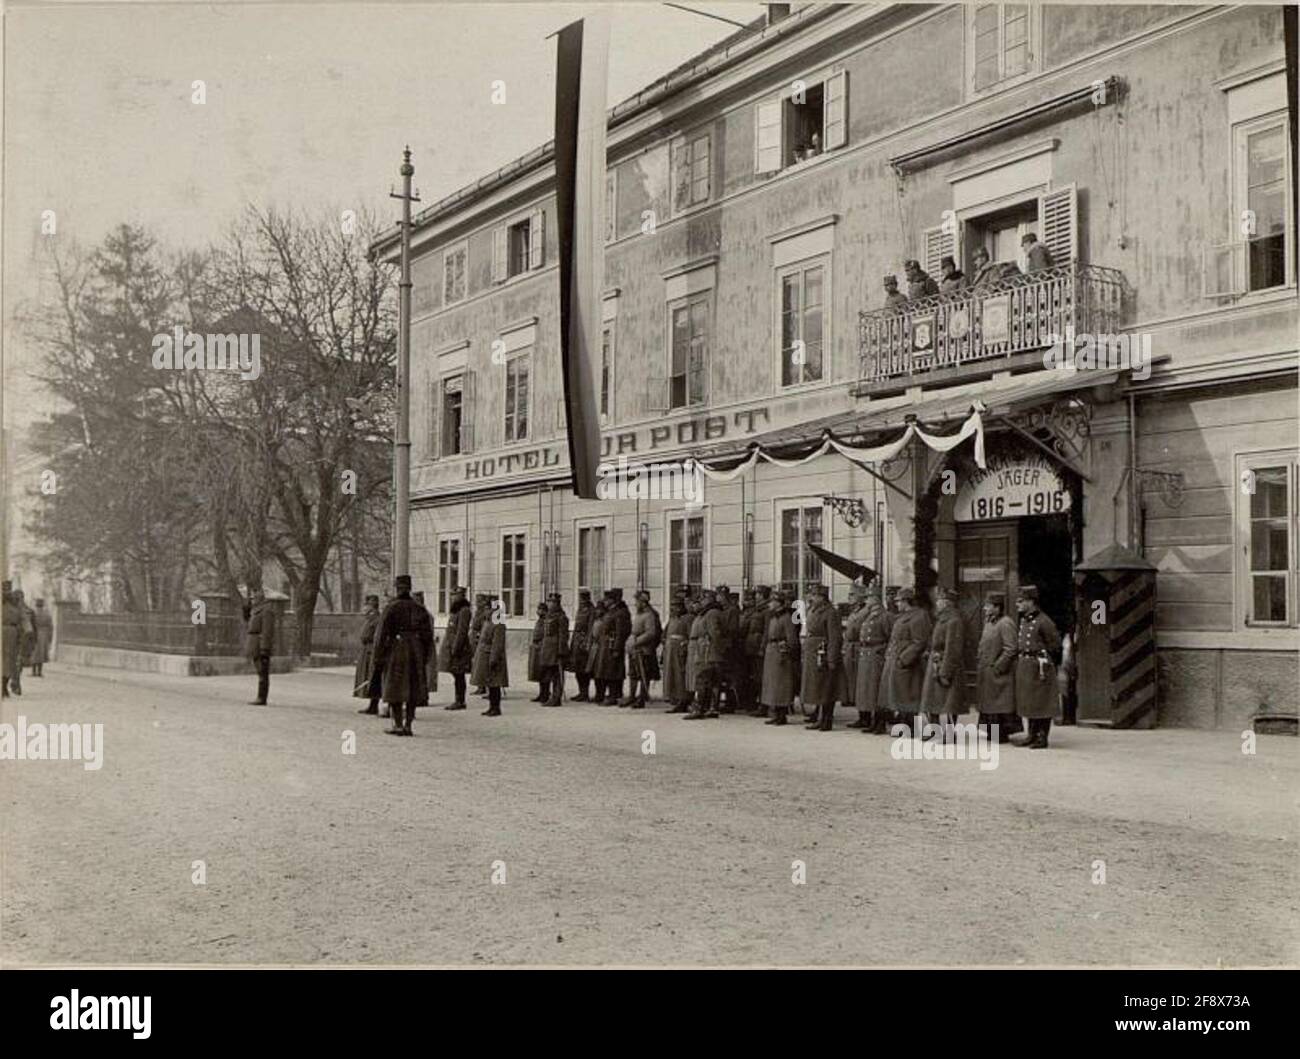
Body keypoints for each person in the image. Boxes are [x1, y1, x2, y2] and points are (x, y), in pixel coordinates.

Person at [373, 574, 435, 736]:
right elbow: (427, 636)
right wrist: (425, 654)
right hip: (415, 650)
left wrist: (378, 656)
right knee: (413, 687)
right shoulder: (420, 609)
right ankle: (408, 724)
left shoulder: (391, 608)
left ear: (397, 588)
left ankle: (398, 725)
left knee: (395, 687)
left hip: (396, 649)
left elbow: (380, 635)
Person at [1014, 585, 1061, 749]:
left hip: (1039, 666)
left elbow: (1055, 645)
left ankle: (1042, 736)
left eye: (1020, 601)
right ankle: (1031, 734)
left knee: (1042, 702)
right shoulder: (1024, 620)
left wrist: (1045, 661)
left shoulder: (1044, 621)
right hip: (1026, 666)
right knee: (1029, 701)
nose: (1017, 604)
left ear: (1031, 602)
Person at [882, 587, 931, 731]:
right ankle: (904, 723)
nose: (897, 604)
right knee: (900, 695)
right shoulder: (902, 616)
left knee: (909, 695)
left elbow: (920, 641)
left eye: (899, 601)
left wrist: (904, 659)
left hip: (909, 663)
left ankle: (909, 726)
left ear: (906, 601)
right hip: (898, 661)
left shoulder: (919, 616)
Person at [920, 586, 965, 739]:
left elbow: (953, 648)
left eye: (939, 600)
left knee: (950, 702)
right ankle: (934, 728)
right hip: (935, 662)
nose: (937, 602)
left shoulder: (954, 620)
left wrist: (946, 671)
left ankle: (950, 732)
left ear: (947, 602)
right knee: (931, 698)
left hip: (946, 663)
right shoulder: (942, 618)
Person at [976, 592, 1018, 743]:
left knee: (1000, 705)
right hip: (988, 673)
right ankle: (993, 732)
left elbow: (1011, 648)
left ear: (997, 607)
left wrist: (998, 667)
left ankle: (1001, 733)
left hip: (998, 674)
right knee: (990, 705)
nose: (985, 608)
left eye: (988, 606)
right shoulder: (990, 622)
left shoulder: (1006, 623)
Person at [800, 583, 843, 731]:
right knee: (818, 686)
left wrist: (832, 658)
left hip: (823, 653)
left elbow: (834, 637)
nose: (812, 598)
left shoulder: (830, 612)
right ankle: (819, 717)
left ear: (822, 597)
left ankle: (827, 719)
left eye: (815, 595)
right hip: (813, 653)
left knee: (826, 687)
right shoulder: (813, 610)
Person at [856, 580, 891, 734]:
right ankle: (871, 720)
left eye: (869, 598)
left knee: (877, 691)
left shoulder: (885, 616)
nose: (867, 601)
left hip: (876, 656)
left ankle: (880, 721)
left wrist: (883, 652)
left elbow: (890, 638)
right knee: (868, 692)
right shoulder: (868, 615)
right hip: (867, 656)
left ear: (876, 599)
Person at [761, 589, 800, 726]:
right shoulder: (773, 617)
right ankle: (775, 712)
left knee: (781, 684)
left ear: (779, 603)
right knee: (772, 684)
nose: (770, 604)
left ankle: (781, 714)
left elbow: (792, 639)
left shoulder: (786, 618)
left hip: (780, 652)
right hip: (771, 651)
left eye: (772, 601)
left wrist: (786, 651)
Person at [685, 589, 725, 720]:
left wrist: (715, 648)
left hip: (708, 651)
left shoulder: (711, 613)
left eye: (703, 599)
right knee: (712, 681)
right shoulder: (710, 612)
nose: (701, 601)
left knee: (703, 679)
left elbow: (714, 633)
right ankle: (711, 707)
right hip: (711, 651)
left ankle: (700, 708)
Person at [623, 590, 661, 708]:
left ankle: (642, 698)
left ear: (643, 602)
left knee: (644, 674)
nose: (635, 604)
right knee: (633, 674)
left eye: (637, 601)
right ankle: (632, 696)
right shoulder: (640, 614)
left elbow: (651, 633)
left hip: (644, 649)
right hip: (635, 649)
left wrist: (636, 642)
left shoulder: (650, 615)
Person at [438, 585, 473, 710]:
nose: (452, 597)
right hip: (452, 646)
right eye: (452, 595)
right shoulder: (456, 610)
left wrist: (456, 648)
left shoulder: (464, 611)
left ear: (461, 596)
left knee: (459, 675)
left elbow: (461, 632)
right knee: (456, 674)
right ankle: (458, 699)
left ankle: (460, 701)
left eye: (455, 595)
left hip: (459, 648)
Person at [471, 602, 509, 716]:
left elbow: (497, 643)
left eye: (488, 609)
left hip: (492, 656)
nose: (485, 611)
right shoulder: (488, 621)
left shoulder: (498, 623)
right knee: (489, 682)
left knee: (494, 684)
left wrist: (494, 658)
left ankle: (496, 708)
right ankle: (491, 707)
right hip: (485, 655)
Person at [598, 587, 632, 705]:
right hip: (607, 644)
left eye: (607, 600)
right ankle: (613, 694)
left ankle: (614, 695)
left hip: (613, 645)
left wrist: (617, 648)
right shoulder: (611, 612)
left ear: (613, 600)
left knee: (613, 670)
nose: (604, 602)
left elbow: (621, 632)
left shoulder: (620, 613)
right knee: (608, 670)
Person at [842, 584, 869, 728]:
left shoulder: (865, 612)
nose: (849, 597)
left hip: (860, 649)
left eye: (852, 595)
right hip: (850, 648)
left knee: (862, 683)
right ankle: (861, 714)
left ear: (860, 597)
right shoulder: (854, 612)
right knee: (854, 683)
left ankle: (866, 715)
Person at [742, 586, 771, 716]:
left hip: (758, 645)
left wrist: (762, 647)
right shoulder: (756, 610)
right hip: (751, 646)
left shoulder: (766, 611)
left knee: (761, 678)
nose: (756, 596)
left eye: (759, 594)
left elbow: (766, 631)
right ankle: (754, 703)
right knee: (754, 677)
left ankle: (763, 705)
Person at [244, 588, 276, 705]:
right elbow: (249, 624)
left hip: (259, 645)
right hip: (254, 644)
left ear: (260, 598)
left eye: (254, 598)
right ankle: (260, 696)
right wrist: (246, 610)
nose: (252, 600)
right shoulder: (256, 611)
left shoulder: (266, 611)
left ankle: (262, 697)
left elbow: (267, 632)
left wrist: (264, 649)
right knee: (260, 671)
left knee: (263, 672)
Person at [662, 596, 691, 713]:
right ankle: (673, 697)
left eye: (677, 606)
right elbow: (665, 633)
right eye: (673, 606)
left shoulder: (686, 619)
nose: (674, 608)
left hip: (680, 650)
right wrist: (664, 640)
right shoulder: (672, 619)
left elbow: (690, 635)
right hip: (669, 650)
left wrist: (684, 645)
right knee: (670, 674)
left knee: (680, 675)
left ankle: (682, 699)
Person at [715, 585, 742, 713]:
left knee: (730, 676)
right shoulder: (721, 610)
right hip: (722, 646)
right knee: (722, 676)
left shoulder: (732, 611)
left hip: (730, 646)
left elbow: (733, 629)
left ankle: (731, 703)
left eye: (720, 595)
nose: (719, 598)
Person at [354, 594, 383, 714]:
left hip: (371, 651)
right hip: (366, 651)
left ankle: (374, 704)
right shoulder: (370, 619)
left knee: (372, 677)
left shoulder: (377, 619)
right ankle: (372, 704)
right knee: (367, 677)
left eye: (367, 606)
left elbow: (375, 636)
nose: (365, 609)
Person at [541, 594, 570, 707]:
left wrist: (561, 651)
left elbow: (563, 635)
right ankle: (551, 695)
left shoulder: (561, 617)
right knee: (551, 673)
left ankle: (556, 697)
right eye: (548, 601)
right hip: (548, 648)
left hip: (556, 649)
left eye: (551, 602)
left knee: (557, 674)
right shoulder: (549, 616)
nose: (549, 604)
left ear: (557, 604)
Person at [569, 589, 594, 701]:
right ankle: (581, 692)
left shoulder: (591, 610)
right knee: (577, 669)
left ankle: (585, 693)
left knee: (584, 669)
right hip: (577, 642)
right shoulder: (580, 610)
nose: (581, 601)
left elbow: (590, 627)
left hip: (584, 642)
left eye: (583, 599)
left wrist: (587, 642)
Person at [2, 581, 26, 697]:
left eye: (8, 590)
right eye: (4, 590)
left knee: (10, 661)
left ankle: (4, 686)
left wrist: (26, 632)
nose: (6, 593)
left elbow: (24, 619)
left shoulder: (16, 606)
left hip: (12, 633)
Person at [588, 598, 610, 704]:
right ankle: (598, 694)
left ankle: (601, 694)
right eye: (597, 609)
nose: (597, 611)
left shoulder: (605, 620)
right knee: (595, 673)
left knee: (601, 673)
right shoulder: (596, 621)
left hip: (602, 648)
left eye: (599, 609)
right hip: (595, 647)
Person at [469, 593, 491, 697]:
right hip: (475, 639)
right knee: (477, 663)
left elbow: (482, 626)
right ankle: (480, 685)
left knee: (482, 664)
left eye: (479, 601)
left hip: (480, 639)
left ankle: (483, 686)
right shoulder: (477, 612)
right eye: (476, 601)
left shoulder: (485, 613)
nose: (477, 603)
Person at [528, 602, 548, 702]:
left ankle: (546, 693)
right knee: (538, 673)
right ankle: (541, 693)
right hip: (537, 648)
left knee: (544, 673)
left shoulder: (547, 621)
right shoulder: (540, 620)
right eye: (538, 609)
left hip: (543, 648)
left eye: (540, 609)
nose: (538, 611)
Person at [27, 598, 51, 677]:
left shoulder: (32, 613)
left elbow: (29, 624)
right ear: (42, 605)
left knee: (34, 652)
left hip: (35, 633)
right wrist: (49, 636)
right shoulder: (47, 614)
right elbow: (50, 626)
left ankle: (33, 672)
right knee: (41, 653)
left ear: (36, 605)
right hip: (44, 635)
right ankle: (39, 672)